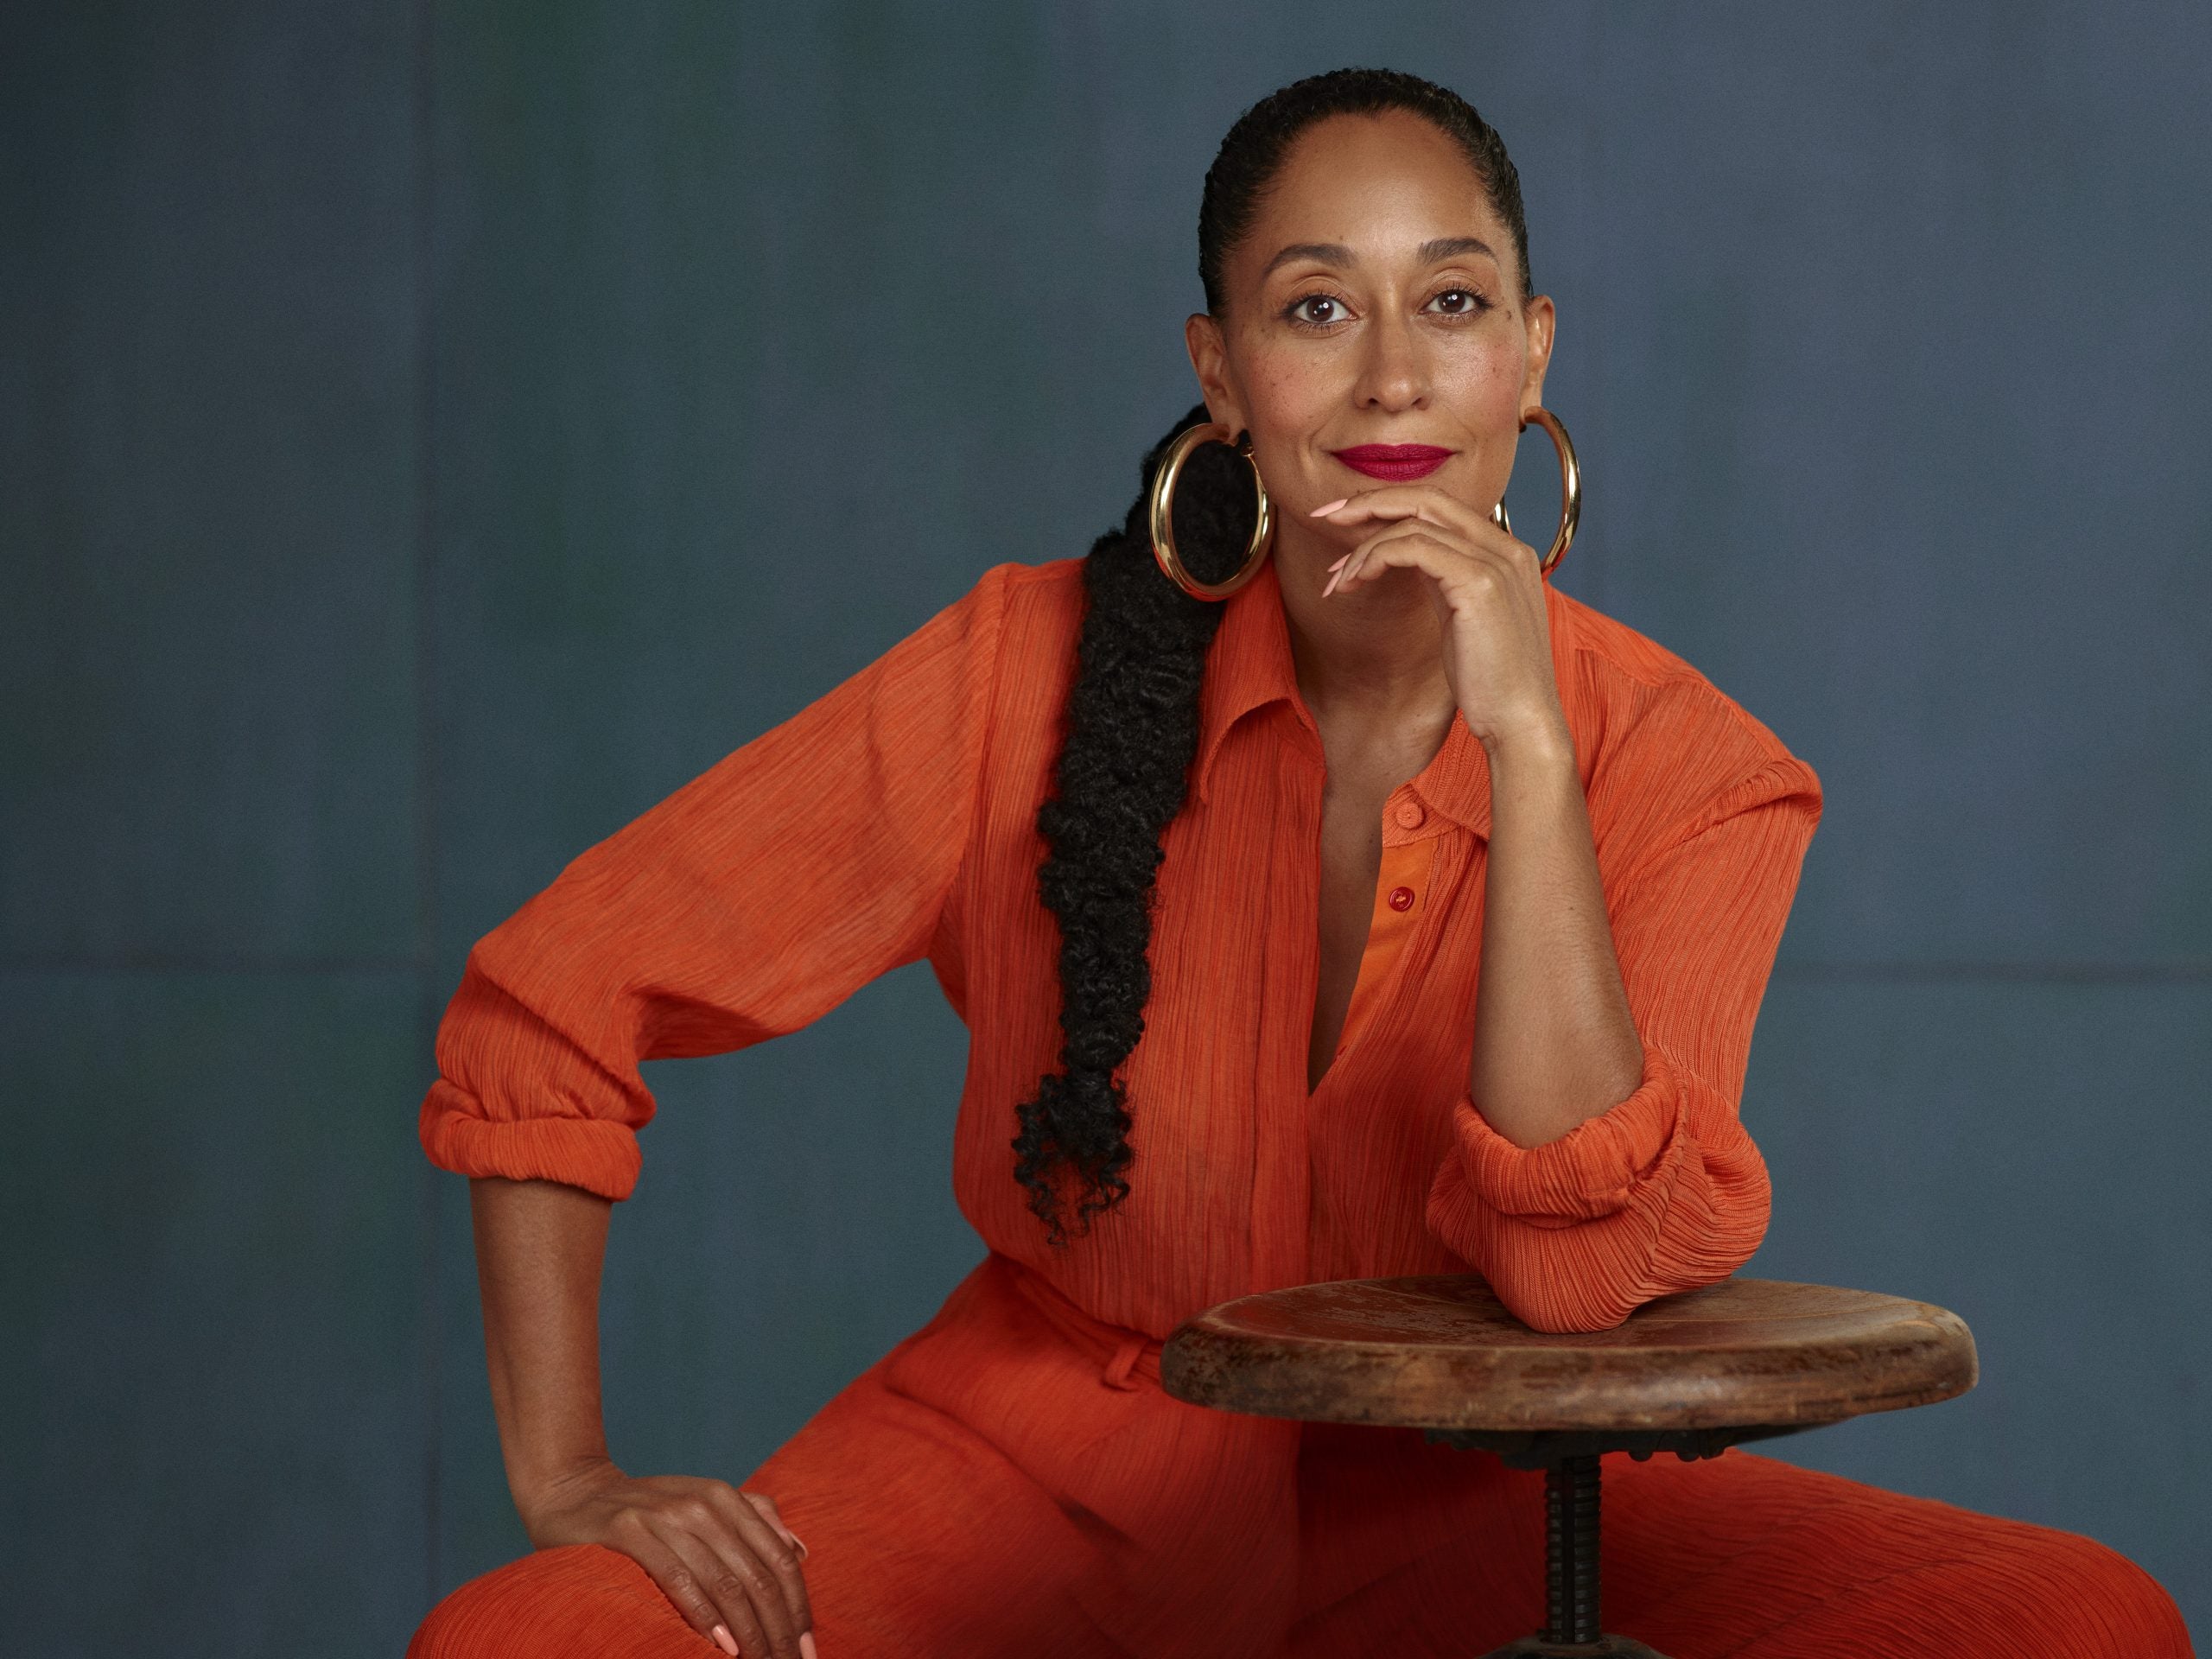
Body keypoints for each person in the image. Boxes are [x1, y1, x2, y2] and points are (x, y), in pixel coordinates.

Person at [409, 68, 2189, 1659]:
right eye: (1317, 306)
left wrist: (1530, 751)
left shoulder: (1700, 772)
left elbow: (1575, 1273)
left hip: (1476, 1492)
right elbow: (548, 1001)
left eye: (1452, 302)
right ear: (1220, 371)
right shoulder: (1016, 675)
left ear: (1532, 354)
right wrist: (569, 1470)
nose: (1394, 374)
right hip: (1040, 1467)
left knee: (2070, 1623)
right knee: (527, 1650)